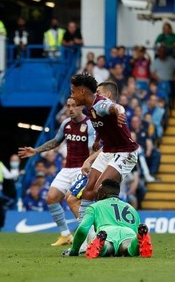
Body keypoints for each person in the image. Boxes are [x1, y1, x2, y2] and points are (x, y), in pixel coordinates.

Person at [18, 97, 95, 246]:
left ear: (81, 107)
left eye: (74, 106)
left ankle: (91, 236)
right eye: (68, 106)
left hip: (82, 169)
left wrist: (90, 168)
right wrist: (36, 150)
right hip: (67, 169)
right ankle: (66, 235)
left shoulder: (89, 125)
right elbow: (55, 141)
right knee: (51, 198)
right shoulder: (66, 124)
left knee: (72, 200)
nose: (70, 109)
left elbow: (92, 150)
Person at [71, 75, 138, 231]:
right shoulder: (89, 109)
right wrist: (97, 139)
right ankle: (86, 239)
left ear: (82, 91)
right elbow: (102, 124)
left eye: (73, 92)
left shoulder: (100, 104)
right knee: (88, 191)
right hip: (108, 150)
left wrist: (120, 113)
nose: (72, 96)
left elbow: (115, 107)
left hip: (125, 151)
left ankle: (117, 227)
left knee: (99, 189)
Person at [65, 179, 152, 258]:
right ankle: (138, 239)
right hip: (128, 233)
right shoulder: (131, 208)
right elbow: (135, 229)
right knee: (128, 248)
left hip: (107, 232)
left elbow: (82, 229)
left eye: (98, 190)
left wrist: (74, 251)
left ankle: (101, 243)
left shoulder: (94, 207)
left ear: (103, 193)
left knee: (106, 246)